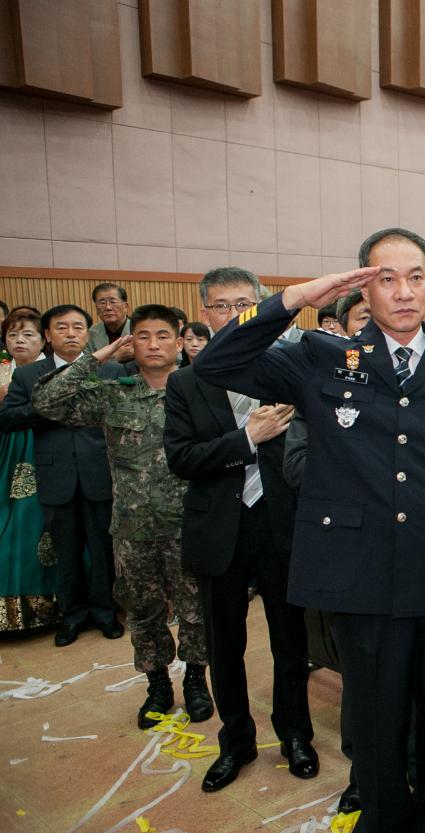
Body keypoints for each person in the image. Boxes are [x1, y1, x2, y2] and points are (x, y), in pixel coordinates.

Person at [195, 227, 425, 833]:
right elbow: (214, 362)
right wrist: (294, 298)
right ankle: (382, 828)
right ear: (363, 284)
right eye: (386, 278)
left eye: (415, 277)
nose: (404, 291)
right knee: (376, 717)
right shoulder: (321, 356)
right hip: (361, 574)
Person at [163, 267, 314, 793]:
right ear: (206, 314)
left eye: (246, 305)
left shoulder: (292, 370)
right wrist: (246, 439)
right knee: (224, 643)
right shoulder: (187, 381)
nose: (235, 316)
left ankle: (296, 734)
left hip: (282, 523)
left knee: (290, 640)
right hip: (220, 528)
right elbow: (180, 458)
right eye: (223, 307)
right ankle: (237, 740)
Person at [33, 304, 211, 729]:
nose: (153, 344)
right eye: (143, 336)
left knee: (194, 611)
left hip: (187, 525)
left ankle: (196, 683)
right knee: (143, 611)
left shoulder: (200, 391)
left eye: (163, 336)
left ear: (180, 339)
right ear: (131, 341)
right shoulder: (115, 393)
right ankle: (157, 685)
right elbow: (46, 401)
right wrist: (99, 357)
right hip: (132, 528)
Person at [0, 305, 123, 646]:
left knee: (102, 548)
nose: (71, 333)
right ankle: (72, 616)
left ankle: (104, 612)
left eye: (78, 327)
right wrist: (49, 408)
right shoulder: (28, 376)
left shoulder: (110, 370)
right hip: (56, 474)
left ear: (88, 334)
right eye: (62, 327)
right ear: (48, 336)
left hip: (99, 471)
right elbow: (8, 420)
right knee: (65, 551)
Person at [0, 308, 60, 632]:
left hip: (37, 446)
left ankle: (50, 601)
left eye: (28, 335)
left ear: (43, 341)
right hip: (5, 449)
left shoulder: (48, 372)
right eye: (13, 335)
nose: (19, 341)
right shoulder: (3, 369)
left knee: (35, 520)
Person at [87, 282, 133, 363]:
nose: (108, 307)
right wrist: (115, 356)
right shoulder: (90, 334)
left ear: (125, 306)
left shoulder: (139, 330)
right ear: (96, 308)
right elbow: (85, 366)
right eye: (102, 303)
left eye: (113, 302)